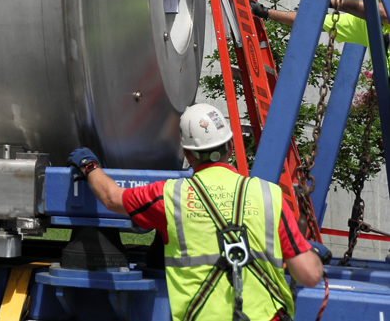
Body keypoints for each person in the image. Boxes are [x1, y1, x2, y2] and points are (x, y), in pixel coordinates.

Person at [69, 102, 322, 321]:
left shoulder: (169, 196)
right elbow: (309, 276)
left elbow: (112, 199)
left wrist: (89, 166)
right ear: (230, 147)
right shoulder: (269, 196)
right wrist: (308, 251)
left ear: (188, 155)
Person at [251, 0, 390, 72]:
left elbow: (384, 13)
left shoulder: (379, 16)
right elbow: (311, 22)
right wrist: (266, 12)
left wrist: (332, 1)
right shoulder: (362, 23)